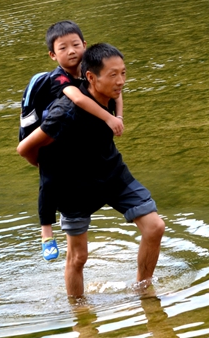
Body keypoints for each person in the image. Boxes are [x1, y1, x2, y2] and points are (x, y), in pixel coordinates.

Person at [17, 43, 164, 298]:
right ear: (91, 78)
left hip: (112, 173)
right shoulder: (65, 112)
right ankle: (79, 312)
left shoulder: (109, 95)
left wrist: (117, 117)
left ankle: (143, 290)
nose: (120, 82)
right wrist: (45, 167)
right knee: (78, 257)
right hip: (74, 187)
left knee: (155, 227)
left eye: (124, 73)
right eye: (113, 75)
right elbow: (25, 148)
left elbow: (117, 97)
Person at [29, 21, 125, 261]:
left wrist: (119, 116)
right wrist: (108, 119)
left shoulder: (91, 68)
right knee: (48, 182)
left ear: (84, 44)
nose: (71, 51)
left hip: (76, 137)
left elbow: (118, 91)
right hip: (54, 135)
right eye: (63, 48)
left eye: (75, 45)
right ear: (52, 55)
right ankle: (46, 234)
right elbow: (78, 99)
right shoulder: (58, 79)